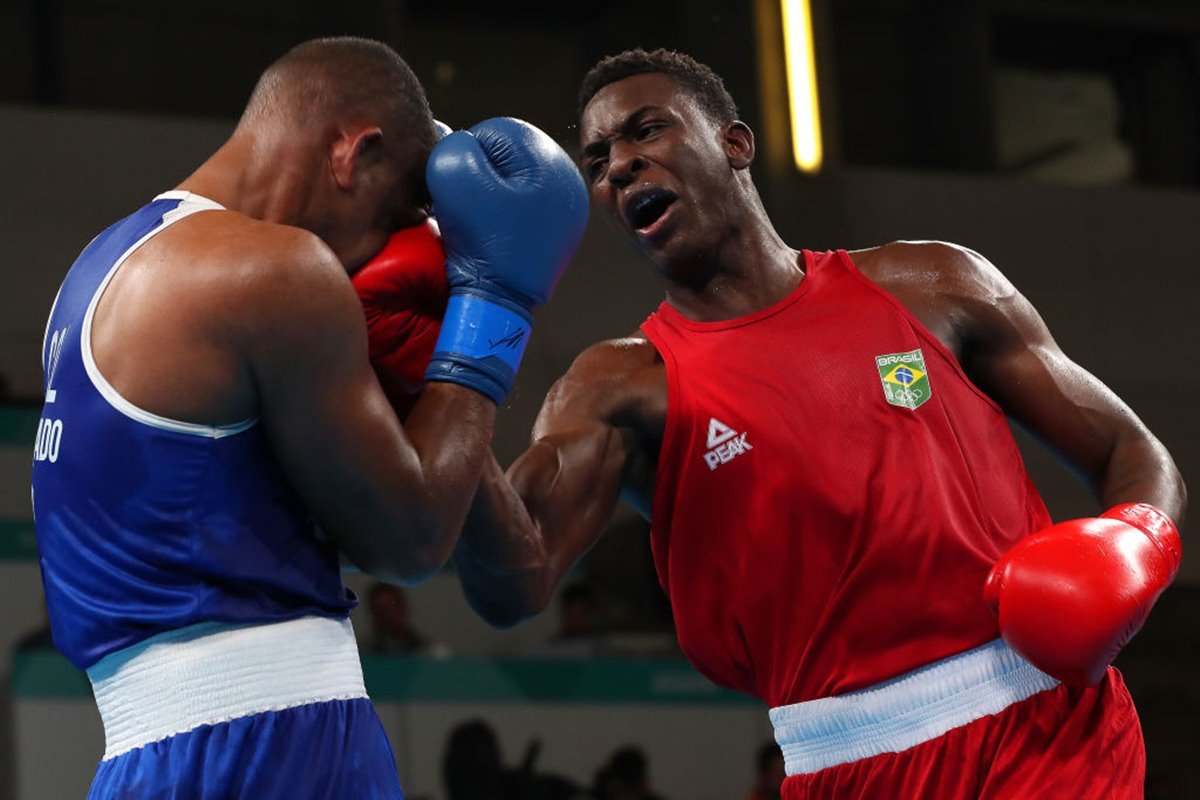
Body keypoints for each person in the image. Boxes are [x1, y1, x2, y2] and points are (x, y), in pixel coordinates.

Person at [450, 48, 1187, 798]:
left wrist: (1136, 543)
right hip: (844, 761)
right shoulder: (618, 385)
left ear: (735, 144)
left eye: (647, 132)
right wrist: (460, 351)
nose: (620, 167)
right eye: (599, 158)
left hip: (1048, 732)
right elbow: (514, 582)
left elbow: (1132, 450)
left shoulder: (932, 284)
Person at [30, 37, 587, 798]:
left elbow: (504, 572)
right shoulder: (279, 271)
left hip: (143, 760)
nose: (398, 242)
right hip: (279, 748)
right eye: (401, 210)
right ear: (354, 153)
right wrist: (494, 306)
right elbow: (415, 538)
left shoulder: (98, 270)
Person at [364, 582, 447, 656]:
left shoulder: (431, 653)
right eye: (380, 610)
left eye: (391, 608)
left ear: (404, 608)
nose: (387, 616)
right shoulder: (362, 655)